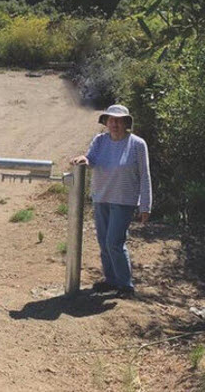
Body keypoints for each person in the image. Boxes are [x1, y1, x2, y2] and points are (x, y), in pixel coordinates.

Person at [71, 104, 151, 298]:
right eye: (111, 120)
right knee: (103, 242)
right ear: (106, 122)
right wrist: (83, 159)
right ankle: (111, 280)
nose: (114, 123)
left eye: (119, 120)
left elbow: (145, 176)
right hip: (101, 198)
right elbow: (91, 159)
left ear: (126, 123)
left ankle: (126, 285)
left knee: (114, 242)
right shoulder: (100, 141)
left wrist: (145, 205)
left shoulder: (137, 144)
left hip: (124, 201)